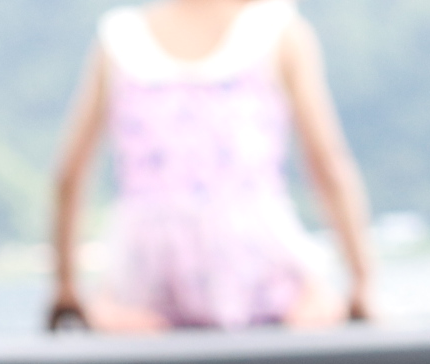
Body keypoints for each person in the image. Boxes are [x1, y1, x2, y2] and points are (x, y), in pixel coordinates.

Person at [48, 0, 373, 332]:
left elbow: (68, 176)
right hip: (258, 270)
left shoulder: (120, 38)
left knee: (118, 318)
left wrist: (65, 288)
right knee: (314, 310)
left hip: (149, 281)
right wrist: (362, 282)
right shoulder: (278, 31)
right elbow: (327, 165)